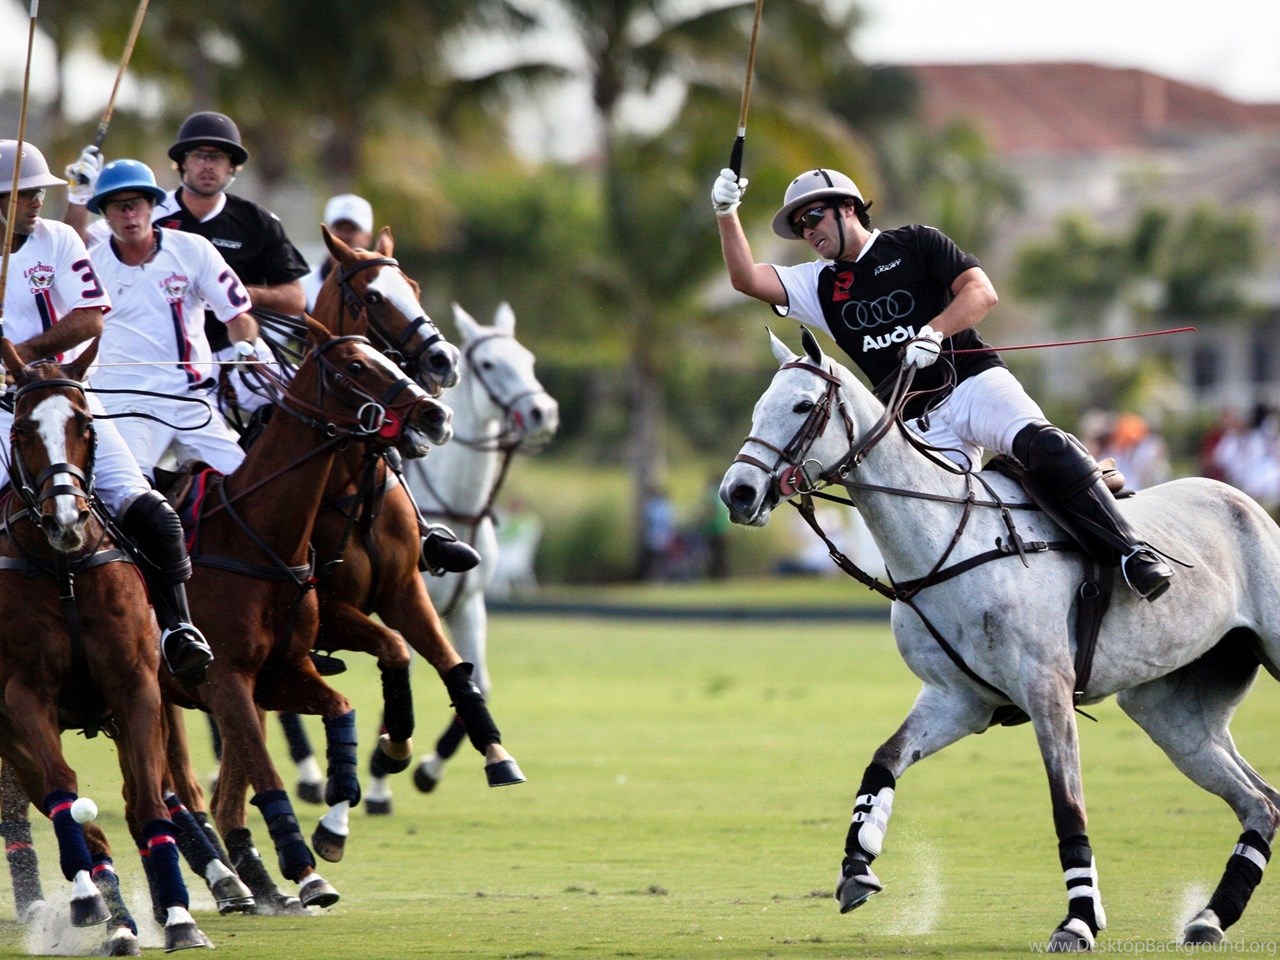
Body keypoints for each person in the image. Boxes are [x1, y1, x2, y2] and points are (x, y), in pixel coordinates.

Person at [711, 166, 1174, 601]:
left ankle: (1131, 553)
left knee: (1046, 445)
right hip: (913, 422)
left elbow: (981, 292)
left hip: (972, 383)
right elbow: (746, 278)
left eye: (813, 217)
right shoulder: (817, 284)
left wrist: (934, 332)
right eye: (799, 226)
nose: (808, 231)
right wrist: (726, 212)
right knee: (929, 530)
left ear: (847, 207)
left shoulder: (916, 242)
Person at [0, 141, 213, 687]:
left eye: (39, 193)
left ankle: (178, 630)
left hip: (68, 401)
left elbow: (91, 318)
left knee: (155, 514)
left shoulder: (59, 238)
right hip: (2, 413)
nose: (37, 202)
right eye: (24, 194)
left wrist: (21, 358)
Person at [82, 159, 259, 483]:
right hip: (125, 404)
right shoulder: (91, 266)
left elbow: (237, 315)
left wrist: (245, 349)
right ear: (104, 214)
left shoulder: (193, 249)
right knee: (129, 493)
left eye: (136, 203)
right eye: (118, 207)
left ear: (152, 205)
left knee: (247, 487)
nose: (129, 215)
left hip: (191, 400)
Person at [301, 194, 373, 312]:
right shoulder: (301, 287)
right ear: (326, 234)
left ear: (368, 238)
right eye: (339, 228)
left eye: (352, 229)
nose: (344, 236)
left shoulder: (381, 290)